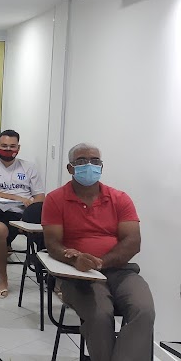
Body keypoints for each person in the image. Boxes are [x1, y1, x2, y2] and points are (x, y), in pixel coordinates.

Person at [42, 143, 154, 361]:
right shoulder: (55, 199)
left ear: (102, 166)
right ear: (70, 168)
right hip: (78, 276)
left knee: (144, 309)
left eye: (95, 161)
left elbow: (133, 241)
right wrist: (76, 260)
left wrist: (100, 263)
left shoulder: (119, 198)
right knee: (100, 314)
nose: (89, 165)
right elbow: (52, 243)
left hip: (121, 271)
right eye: (82, 161)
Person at [0, 130, 45, 299]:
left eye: (12, 146)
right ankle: (3, 279)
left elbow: (40, 196)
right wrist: (14, 197)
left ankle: (54, 278)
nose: (8, 149)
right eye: (4, 146)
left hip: (25, 212)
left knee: (50, 229)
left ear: (18, 147)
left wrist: (29, 203)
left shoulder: (29, 167)